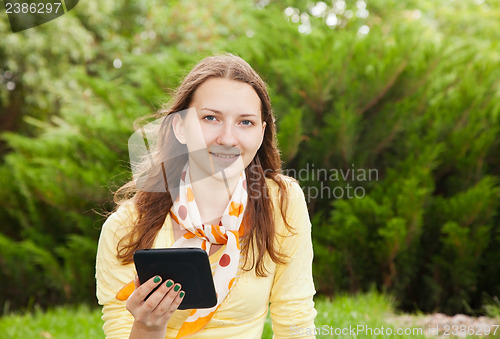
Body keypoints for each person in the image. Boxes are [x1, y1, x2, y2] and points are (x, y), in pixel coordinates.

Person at [96, 53, 317, 339]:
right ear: (180, 127)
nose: (227, 138)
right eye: (210, 118)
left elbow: (295, 324)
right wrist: (148, 327)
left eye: (245, 122)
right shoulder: (126, 228)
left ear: (262, 133)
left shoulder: (282, 202)